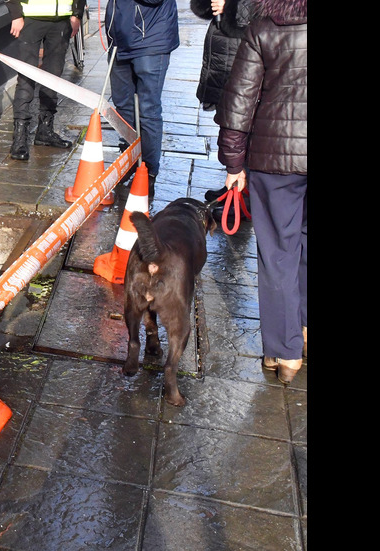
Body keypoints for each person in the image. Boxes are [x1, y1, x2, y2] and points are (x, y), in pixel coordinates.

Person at [215, 0, 306, 384]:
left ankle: (285, 353)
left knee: (278, 253)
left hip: (276, 155)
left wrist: (234, 163)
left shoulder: (262, 26)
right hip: (277, 157)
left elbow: (240, 99)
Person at [104, 0, 179, 199]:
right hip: (119, 39)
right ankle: (129, 160)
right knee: (123, 108)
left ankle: (148, 170)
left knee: (148, 110)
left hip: (150, 39)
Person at [190, 0, 259, 204]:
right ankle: (234, 182)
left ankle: (245, 194)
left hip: (244, 52)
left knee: (246, 124)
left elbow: (268, 8)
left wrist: (230, 9)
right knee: (230, 123)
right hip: (223, 53)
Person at [5, 0, 86, 161]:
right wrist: (16, 14)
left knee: (53, 77)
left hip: (62, 20)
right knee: (26, 78)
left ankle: (45, 131)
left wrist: (77, 14)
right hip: (30, 19)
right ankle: (20, 137)